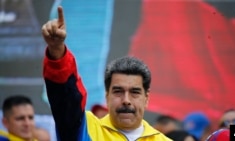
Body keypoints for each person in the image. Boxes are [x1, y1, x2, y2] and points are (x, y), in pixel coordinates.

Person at [41, 6, 172, 141]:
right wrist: (57, 50)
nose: (126, 100)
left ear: (146, 98)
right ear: (107, 97)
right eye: (118, 91)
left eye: (135, 92)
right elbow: (67, 99)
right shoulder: (86, 128)